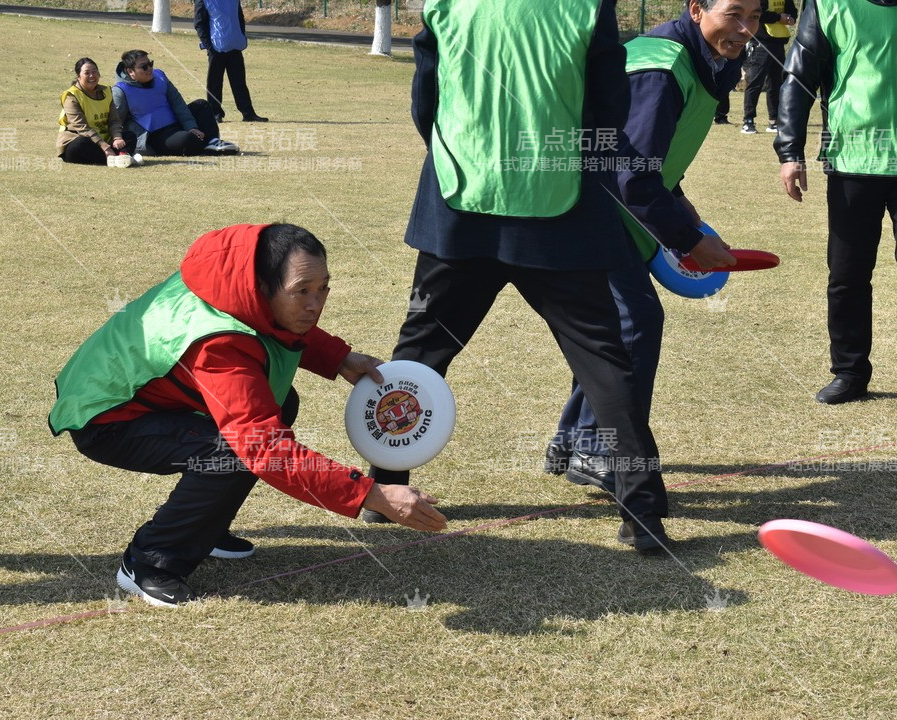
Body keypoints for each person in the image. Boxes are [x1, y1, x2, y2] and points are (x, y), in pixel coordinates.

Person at [362, 0, 673, 552]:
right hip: (562, 208)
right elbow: (608, 103)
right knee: (604, 363)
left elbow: (425, 101)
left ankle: (386, 487)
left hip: (460, 202)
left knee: (417, 357)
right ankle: (642, 510)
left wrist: (464, 153)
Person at [48, 224, 446, 606]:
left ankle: (203, 530)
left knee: (277, 403)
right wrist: (371, 494)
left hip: (148, 393)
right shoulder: (219, 344)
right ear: (262, 288)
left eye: (323, 288)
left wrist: (339, 357)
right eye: (301, 291)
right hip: (108, 415)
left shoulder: (235, 280)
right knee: (234, 451)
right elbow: (265, 449)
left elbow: (274, 326)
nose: (315, 304)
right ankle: (149, 561)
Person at [551, 0, 749, 494]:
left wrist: (679, 204)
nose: (745, 29)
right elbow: (627, 171)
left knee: (611, 328)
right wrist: (686, 240)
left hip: (613, 213)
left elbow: (645, 155)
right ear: (697, 8)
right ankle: (595, 447)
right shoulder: (661, 68)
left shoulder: (706, 59)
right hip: (592, 211)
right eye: (733, 14)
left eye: (755, 16)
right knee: (633, 324)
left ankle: (575, 436)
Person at [775, 0, 897, 404]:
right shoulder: (829, 5)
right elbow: (798, 74)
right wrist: (790, 151)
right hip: (852, 160)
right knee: (847, 275)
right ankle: (850, 372)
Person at [112, 50, 238, 157]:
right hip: (155, 135)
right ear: (130, 72)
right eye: (144, 67)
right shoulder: (120, 91)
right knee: (187, 139)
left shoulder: (160, 76)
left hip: (175, 123)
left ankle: (212, 141)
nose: (149, 69)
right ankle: (201, 145)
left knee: (202, 105)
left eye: (150, 64)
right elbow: (115, 120)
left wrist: (191, 127)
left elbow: (178, 103)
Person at [194, 0, 268, 123]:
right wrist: (209, 46)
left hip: (234, 46)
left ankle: (248, 113)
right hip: (216, 48)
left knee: (239, 83)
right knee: (214, 82)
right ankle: (215, 113)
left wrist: (241, 36)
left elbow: (239, 17)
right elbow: (199, 23)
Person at [56, 57, 138, 166]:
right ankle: (120, 157)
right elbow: (81, 127)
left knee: (129, 136)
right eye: (87, 73)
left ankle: (118, 156)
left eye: (94, 71)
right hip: (81, 139)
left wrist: (117, 137)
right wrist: (105, 147)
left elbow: (114, 120)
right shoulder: (71, 96)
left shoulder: (107, 92)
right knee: (80, 145)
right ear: (78, 76)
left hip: (105, 139)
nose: (92, 76)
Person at [740, 0, 797, 134]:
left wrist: (791, 18)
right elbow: (758, 14)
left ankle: (774, 120)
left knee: (776, 83)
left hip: (778, 43)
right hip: (761, 43)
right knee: (755, 82)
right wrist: (778, 17)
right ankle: (748, 121)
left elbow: (792, 10)